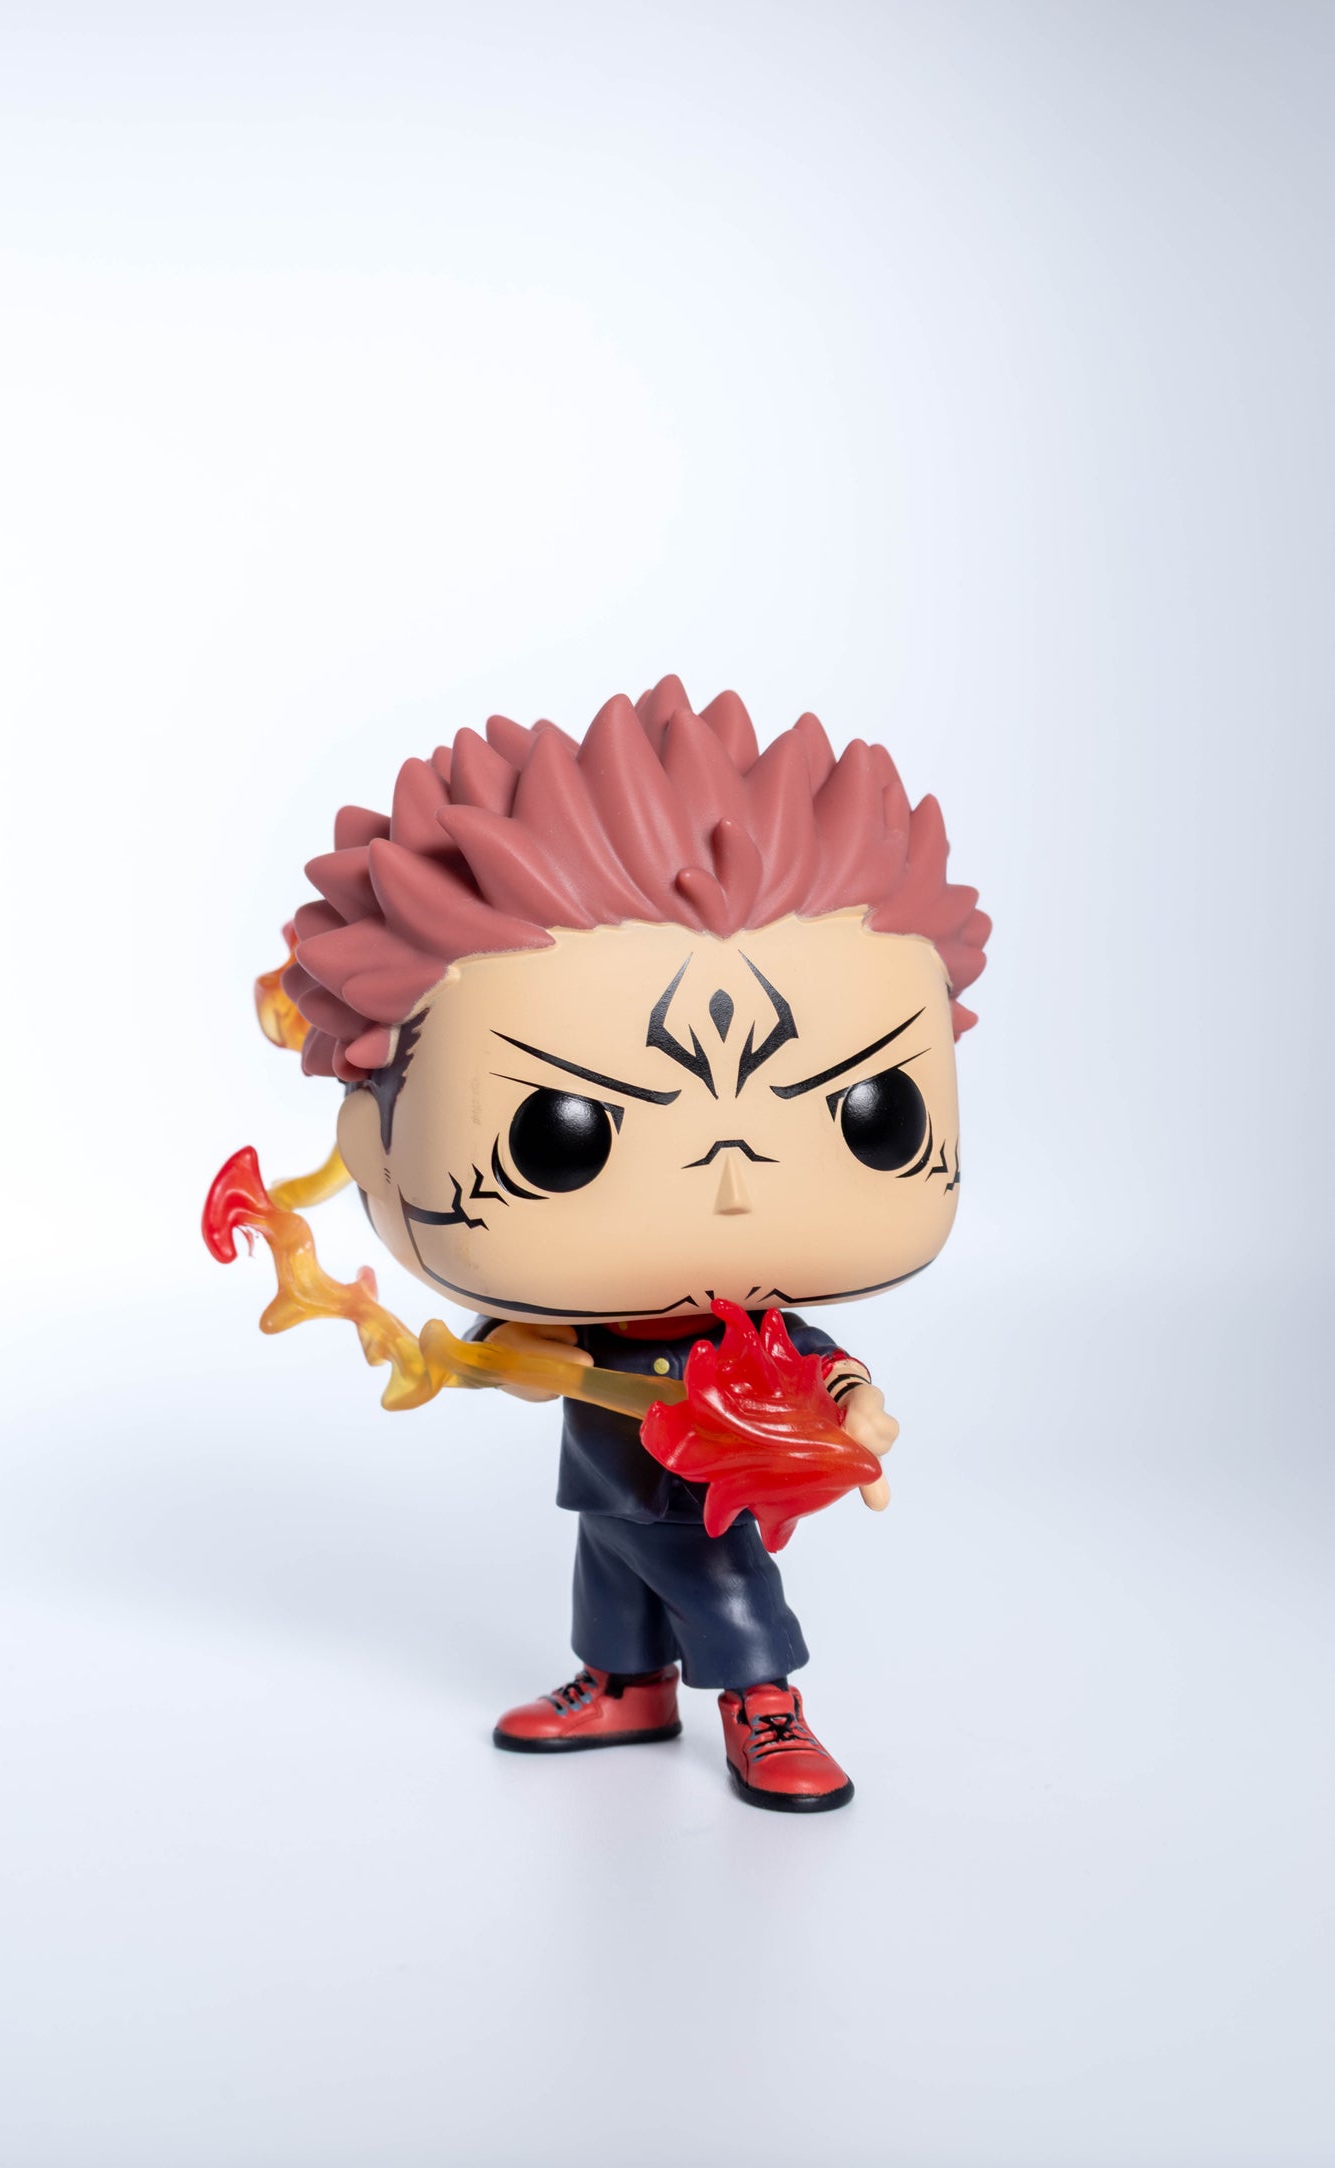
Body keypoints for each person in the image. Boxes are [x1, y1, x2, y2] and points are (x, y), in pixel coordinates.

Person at [279, 674, 989, 1811]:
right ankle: (622, 1684)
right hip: (608, 1473)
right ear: (373, 1142)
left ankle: (763, 1701)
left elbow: (808, 1359)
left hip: (705, 1480)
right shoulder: (566, 1310)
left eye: (873, 1114)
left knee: (718, 1578)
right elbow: (509, 1355)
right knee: (608, 1567)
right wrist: (489, 1357)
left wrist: (852, 1399)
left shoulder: (746, 1329)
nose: (731, 1187)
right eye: (560, 1134)